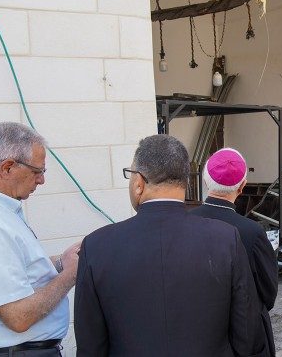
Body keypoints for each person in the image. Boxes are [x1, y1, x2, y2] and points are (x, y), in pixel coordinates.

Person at [74, 135, 263, 356]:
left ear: (139, 183)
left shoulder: (97, 246)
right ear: (186, 182)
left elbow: (90, 345)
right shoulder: (225, 239)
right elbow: (247, 332)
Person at [0, 122, 80, 356]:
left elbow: (12, 270)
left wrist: (59, 262)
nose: (41, 181)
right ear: (7, 168)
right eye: (38, 172)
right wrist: (70, 275)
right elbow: (18, 316)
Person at [189, 148, 278, 356]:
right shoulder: (252, 231)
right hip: (246, 336)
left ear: (204, 182)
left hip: (197, 330)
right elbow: (269, 292)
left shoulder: (186, 223)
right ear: (242, 186)